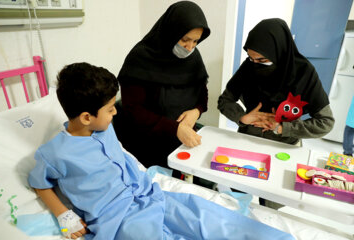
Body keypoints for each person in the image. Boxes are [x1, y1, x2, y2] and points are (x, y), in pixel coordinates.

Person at [28, 62, 295, 240]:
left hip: (150, 194)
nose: (115, 111)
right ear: (86, 117)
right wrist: (64, 214)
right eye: (110, 108)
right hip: (120, 219)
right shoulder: (54, 154)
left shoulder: (104, 129)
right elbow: (40, 183)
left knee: (208, 218)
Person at [114, 1, 210, 168]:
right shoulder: (141, 58)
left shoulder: (193, 58)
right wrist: (175, 128)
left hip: (183, 140)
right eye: (184, 40)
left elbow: (202, 94)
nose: (189, 48)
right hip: (146, 143)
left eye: (196, 41)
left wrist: (196, 111)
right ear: (171, 32)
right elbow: (133, 109)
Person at [218, 18, 334, 145]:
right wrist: (241, 117)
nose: (255, 65)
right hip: (248, 138)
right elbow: (225, 100)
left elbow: (325, 122)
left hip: (285, 145)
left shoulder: (303, 72)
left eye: (262, 61)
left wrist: (283, 129)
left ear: (279, 53)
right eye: (251, 59)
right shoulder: (249, 66)